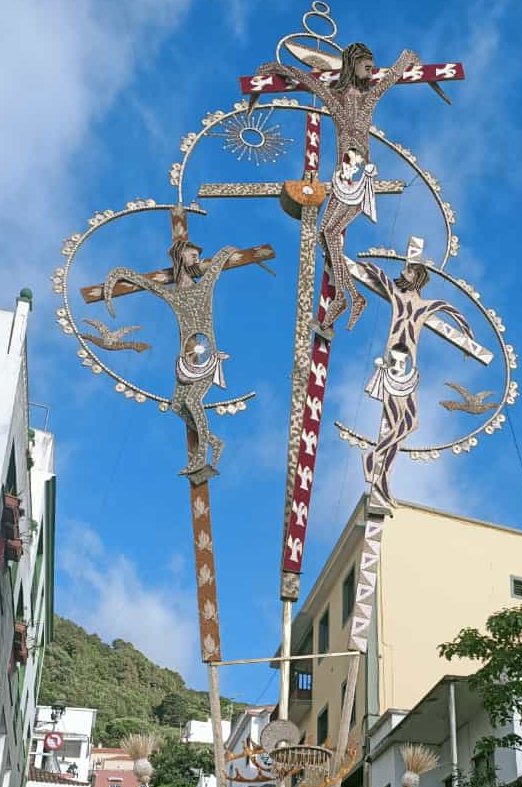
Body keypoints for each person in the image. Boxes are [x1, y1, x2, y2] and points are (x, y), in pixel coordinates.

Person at [252, 43, 421, 330]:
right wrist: (280, 69)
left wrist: (405, 59)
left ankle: (347, 297)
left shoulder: (369, 98)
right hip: (343, 180)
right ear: (351, 65)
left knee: (327, 233)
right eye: (366, 64)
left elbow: (389, 79)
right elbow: (309, 81)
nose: (370, 69)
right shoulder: (335, 98)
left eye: (372, 65)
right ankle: (349, 296)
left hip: (359, 181)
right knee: (326, 234)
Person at [103, 240, 236, 483]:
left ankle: (201, 456)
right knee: (177, 405)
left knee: (192, 399)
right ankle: (215, 442)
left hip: (205, 355)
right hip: (186, 361)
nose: (196, 259)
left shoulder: (202, 287)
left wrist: (226, 251)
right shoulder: (173, 295)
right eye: (192, 255)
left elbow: (216, 267)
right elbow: (146, 284)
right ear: (179, 257)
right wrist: (118, 276)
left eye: (198, 255)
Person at [358, 258, 473, 509]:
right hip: (395, 363)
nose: (403, 272)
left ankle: (380, 470)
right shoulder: (400, 300)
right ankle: (376, 462)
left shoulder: (424, 307)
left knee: (410, 422)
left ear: (417, 277)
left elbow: (448, 308)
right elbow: (382, 279)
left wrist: (468, 337)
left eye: (409, 270)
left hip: (408, 369)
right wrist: (365, 265)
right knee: (399, 422)